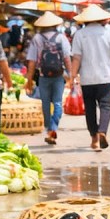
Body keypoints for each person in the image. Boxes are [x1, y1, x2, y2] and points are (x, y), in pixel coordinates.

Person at [70, 6, 110, 152]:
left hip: (87, 78)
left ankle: (94, 139)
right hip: (105, 77)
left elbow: (76, 58)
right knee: (105, 106)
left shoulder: (80, 35)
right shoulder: (108, 34)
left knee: (90, 108)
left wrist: (73, 76)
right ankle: (102, 131)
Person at [24, 11, 71, 145]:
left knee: (45, 103)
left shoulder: (37, 38)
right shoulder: (61, 38)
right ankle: (53, 128)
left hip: (43, 77)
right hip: (58, 76)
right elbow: (67, 58)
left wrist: (29, 80)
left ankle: (48, 128)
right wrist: (71, 76)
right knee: (57, 102)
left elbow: (32, 61)